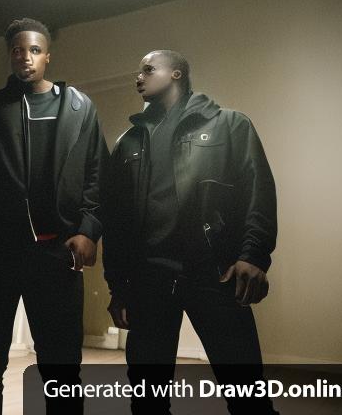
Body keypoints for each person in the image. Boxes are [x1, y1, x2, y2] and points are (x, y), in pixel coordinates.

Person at [102, 50, 278, 414]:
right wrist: (118, 287)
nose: (139, 77)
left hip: (214, 273)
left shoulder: (230, 125)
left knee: (247, 395)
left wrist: (253, 255)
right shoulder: (128, 143)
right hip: (149, 280)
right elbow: (116, 221)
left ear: (177, 74)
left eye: (148, 69)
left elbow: (258, 192)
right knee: (147, 400)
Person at [0, 18, 108, 414]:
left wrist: (89, 230)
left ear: (47, 55)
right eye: (16, 50)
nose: (24, 57)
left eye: (33, 50)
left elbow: (97, 174)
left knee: (61, 364)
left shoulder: (79, 107)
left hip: (58, 254)